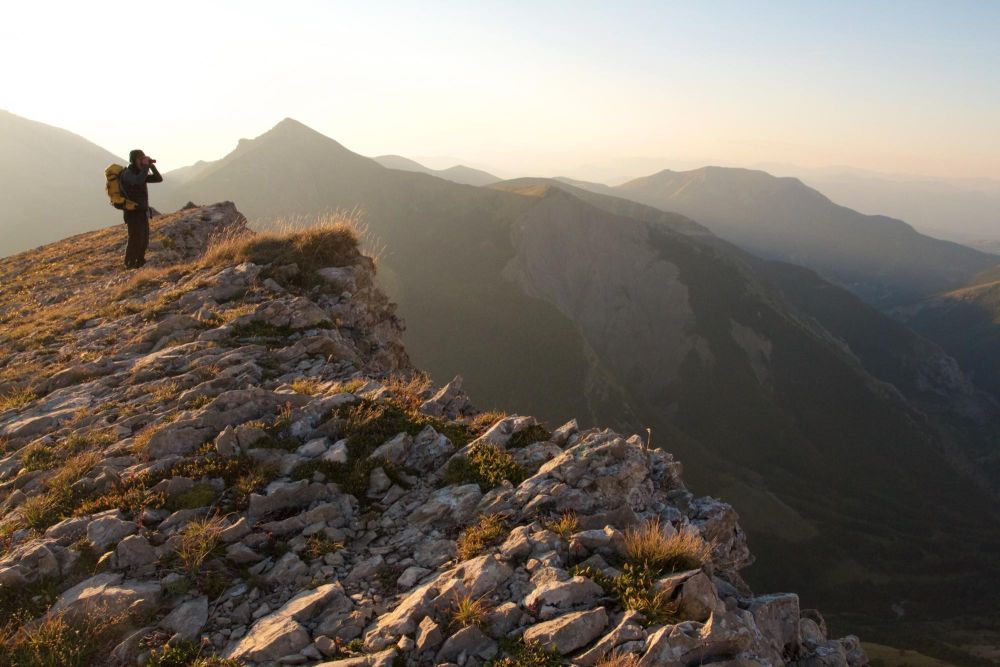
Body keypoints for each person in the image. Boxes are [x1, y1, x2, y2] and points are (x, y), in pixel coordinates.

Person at [120, 149, 163, 269]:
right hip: (132, 213)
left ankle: (139, 262)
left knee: (144, 239)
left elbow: (158, 179)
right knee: (135, 238)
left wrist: (151, 166)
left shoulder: (140, 173)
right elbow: (137, 181)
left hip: (142, 212)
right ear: (133, 160)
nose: (142, 161)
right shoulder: (128, 173)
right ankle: (129, 264)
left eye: (143, 158)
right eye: (140, 159)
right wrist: (145, 167)